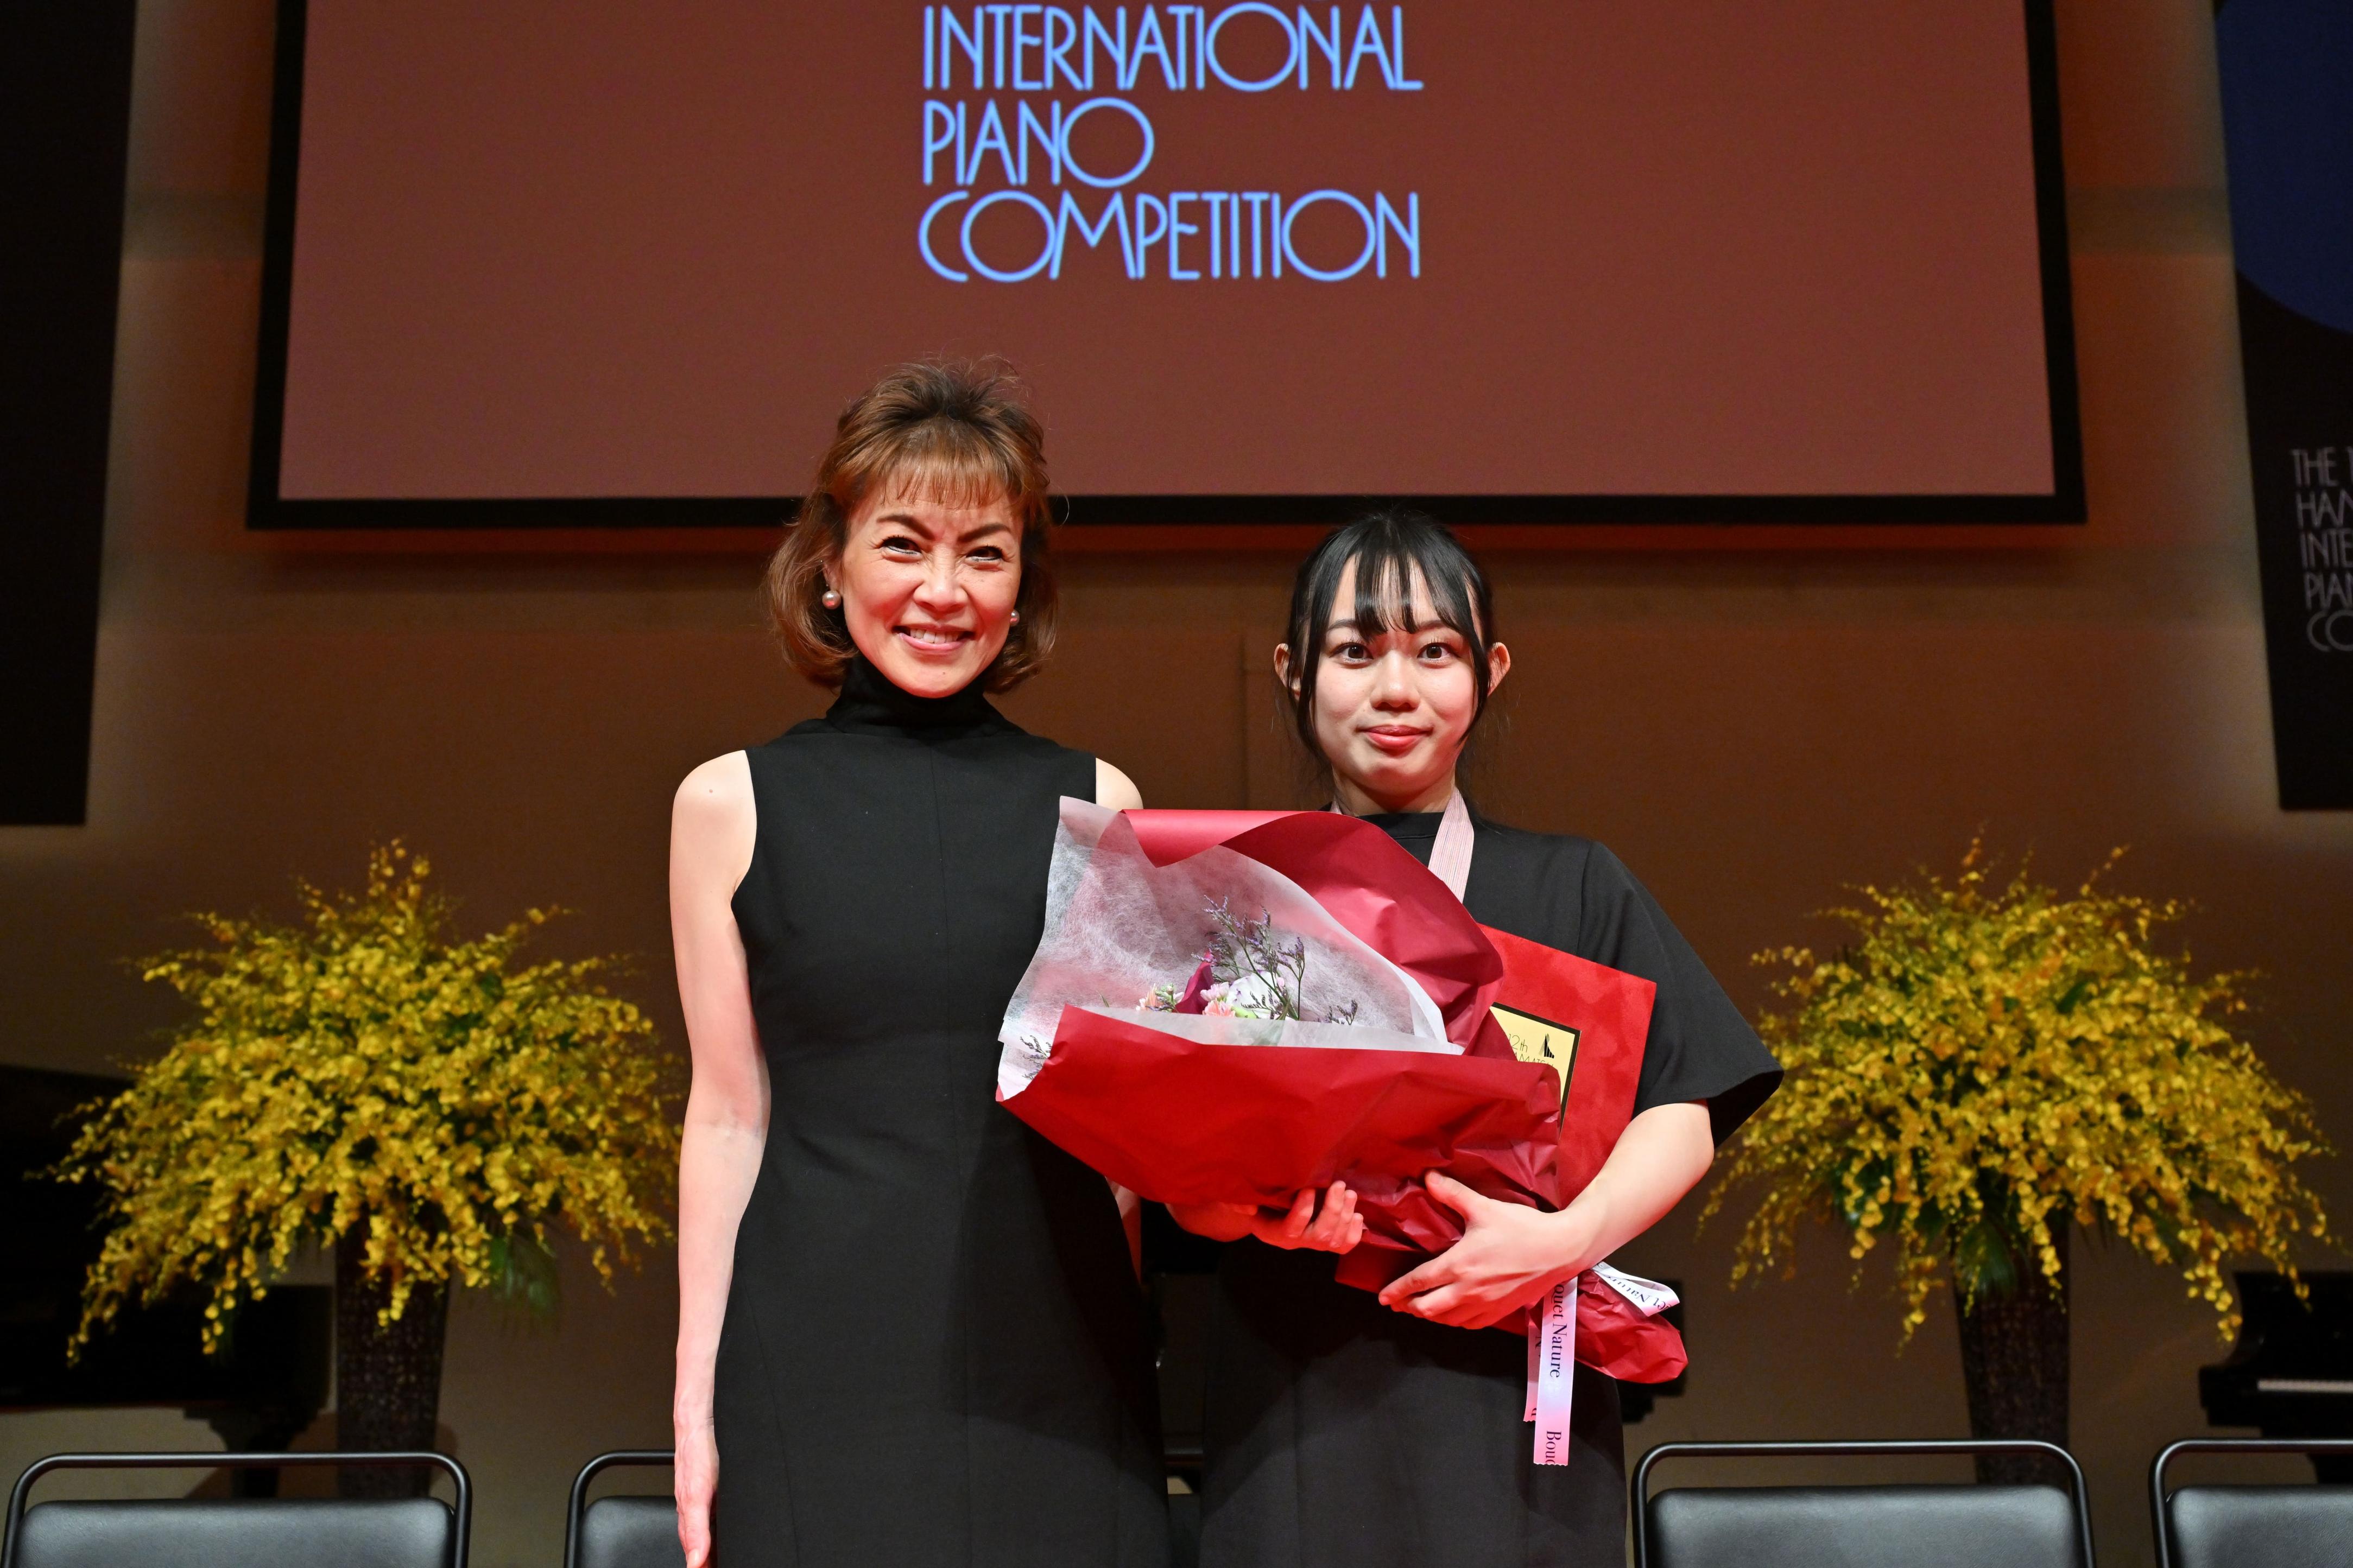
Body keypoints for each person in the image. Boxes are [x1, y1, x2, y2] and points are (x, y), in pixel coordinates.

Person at [1190, 510, 1783, 1568]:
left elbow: (1686, 1099)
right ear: (1292, 669)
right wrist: (1254, 1210)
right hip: (1293, 1403)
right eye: (1353, 650)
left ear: (1490, 668)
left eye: (1435, 650)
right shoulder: (1241, 890)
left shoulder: (1574, 882)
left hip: (1512, 1406)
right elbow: (1176, 1162)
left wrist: (1570, 1236)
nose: (1396, 688)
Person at [668, 361, 1172, 1567]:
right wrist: (693, 1403)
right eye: (904, 544)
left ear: (1022, 589)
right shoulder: (727, 803)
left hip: (1060, 1355)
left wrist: (1137, 1351)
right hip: (815, 1353)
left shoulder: (1100, 804)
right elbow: (729, 1117)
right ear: (829, 571)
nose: (942, 590)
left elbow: (1125, 1144)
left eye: (984, 553)